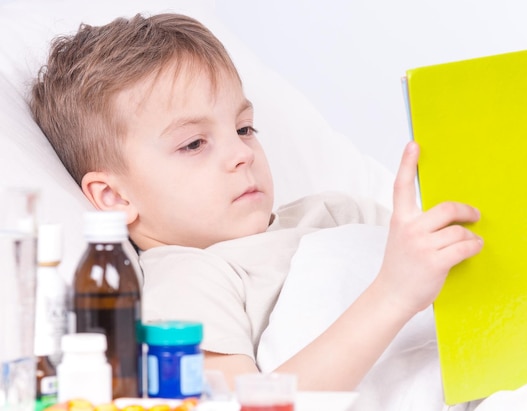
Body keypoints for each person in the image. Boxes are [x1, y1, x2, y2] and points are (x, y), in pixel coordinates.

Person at [29, 13, 483, 390]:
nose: (241, 153)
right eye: (194, 144)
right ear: (114, 196)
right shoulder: (186, 278)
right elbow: (245, 405)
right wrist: (393, 294)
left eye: (244, 128)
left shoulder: (337, 213)